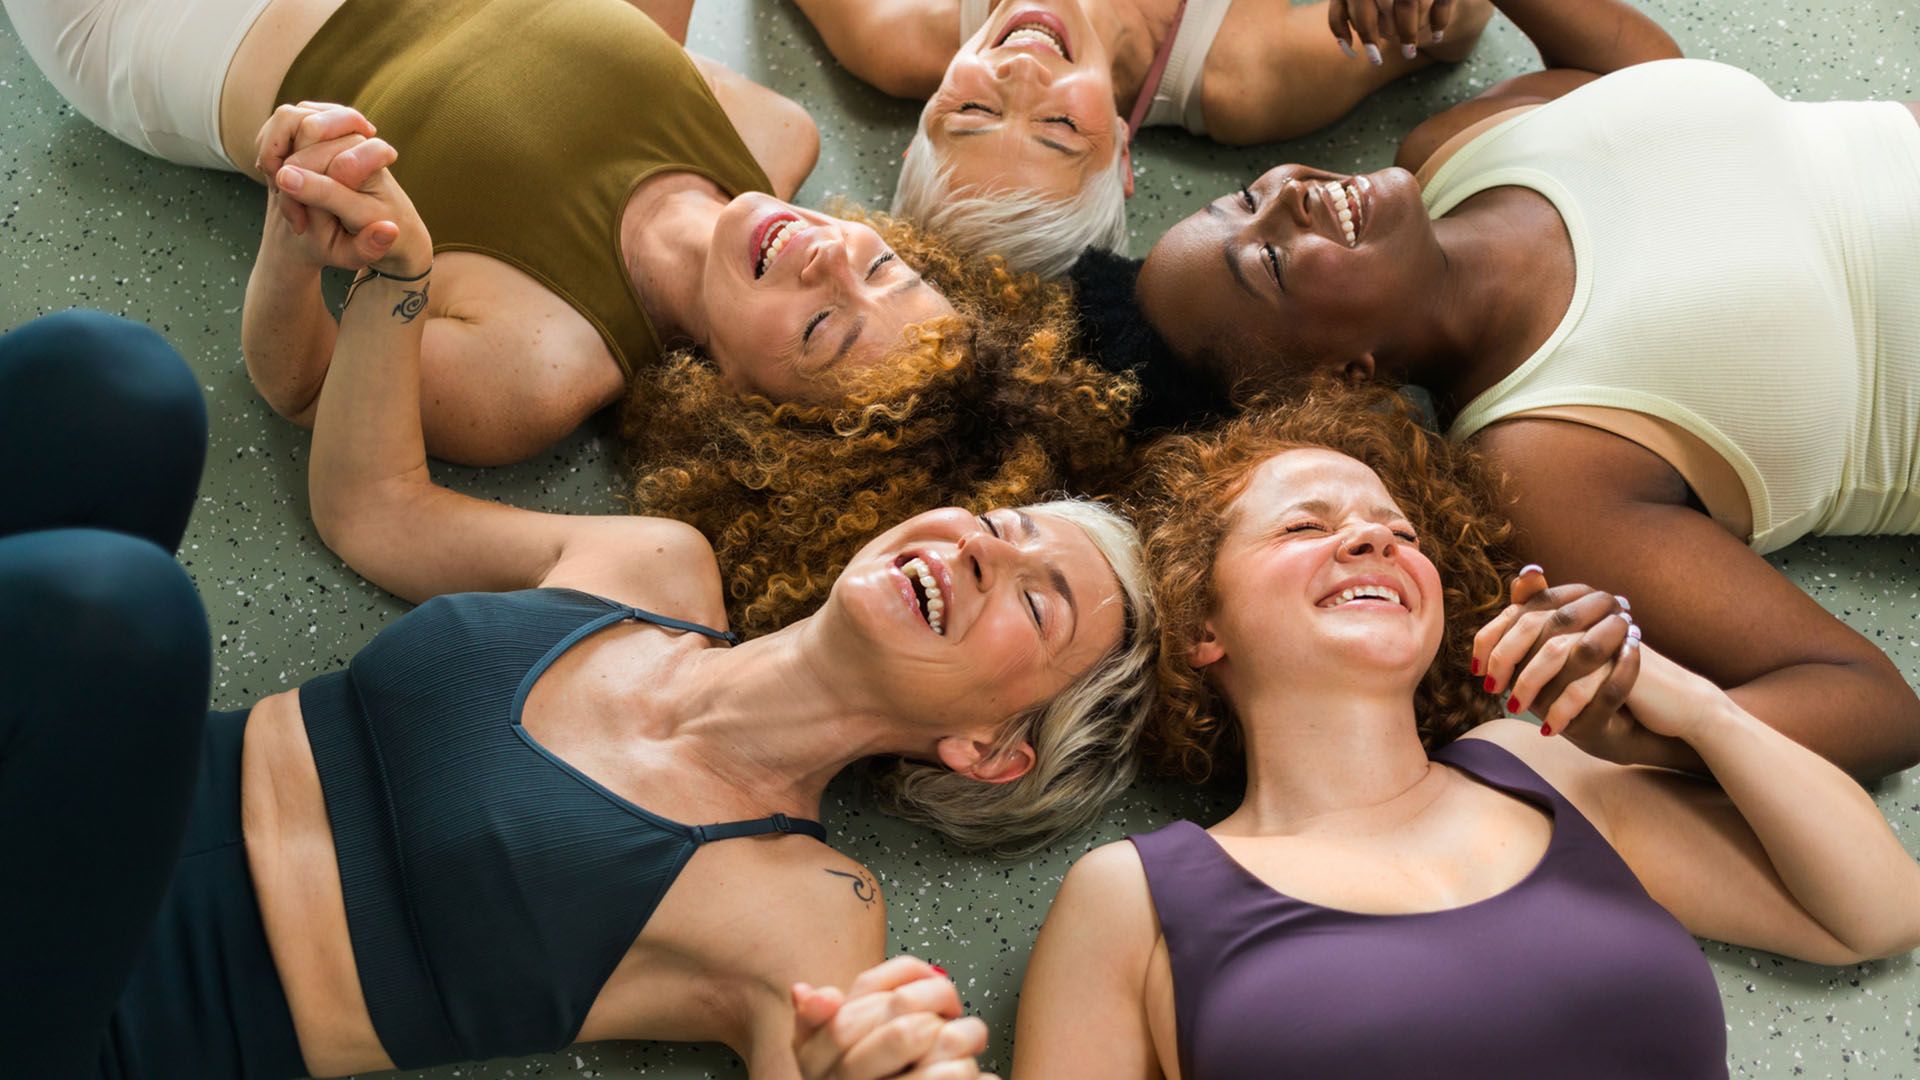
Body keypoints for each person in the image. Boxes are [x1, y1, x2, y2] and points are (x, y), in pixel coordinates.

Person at [0, 279, 1157, 1079]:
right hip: (56, 782)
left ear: (992, 750)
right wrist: (386, 279)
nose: (980, 552)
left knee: (125, 616)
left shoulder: (809, 911)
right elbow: (374, 512)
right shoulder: (651, 563)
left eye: (1036, 598)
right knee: (115, 384)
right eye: (1000, 524)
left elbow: (824, 1056)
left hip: (87, 1003)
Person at [790, 386, 1920, 1080]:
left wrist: (1679, 696)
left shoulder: (1544, 777)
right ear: (1204, 627)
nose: (1373, 543)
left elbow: (1872, 910)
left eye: (1396, 530)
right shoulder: (1135, 897)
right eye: (1309, 525)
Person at [1085, 0, 1920, 777]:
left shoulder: (1453, 146)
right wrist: (1649, 740)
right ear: (1340, 379)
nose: (1289, 197)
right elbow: (1872, 702)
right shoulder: (1546, 465)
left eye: (1246, 198)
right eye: (1269, 260)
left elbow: (1640, 74)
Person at [3, 0, 970, 466]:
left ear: (743, 404)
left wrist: (297, 243)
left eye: (823, 326)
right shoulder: (772, 136)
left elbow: (301, 386)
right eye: (882, 266)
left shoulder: (542, 365)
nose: (829, 257)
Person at [793, 0, 1490, 277]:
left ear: (918, 135)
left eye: (974, 110)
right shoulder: (1240, 77)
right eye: (1059, 127)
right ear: (1125, 155)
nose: (1023, 74)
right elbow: (1456, 33)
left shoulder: (894, 30)